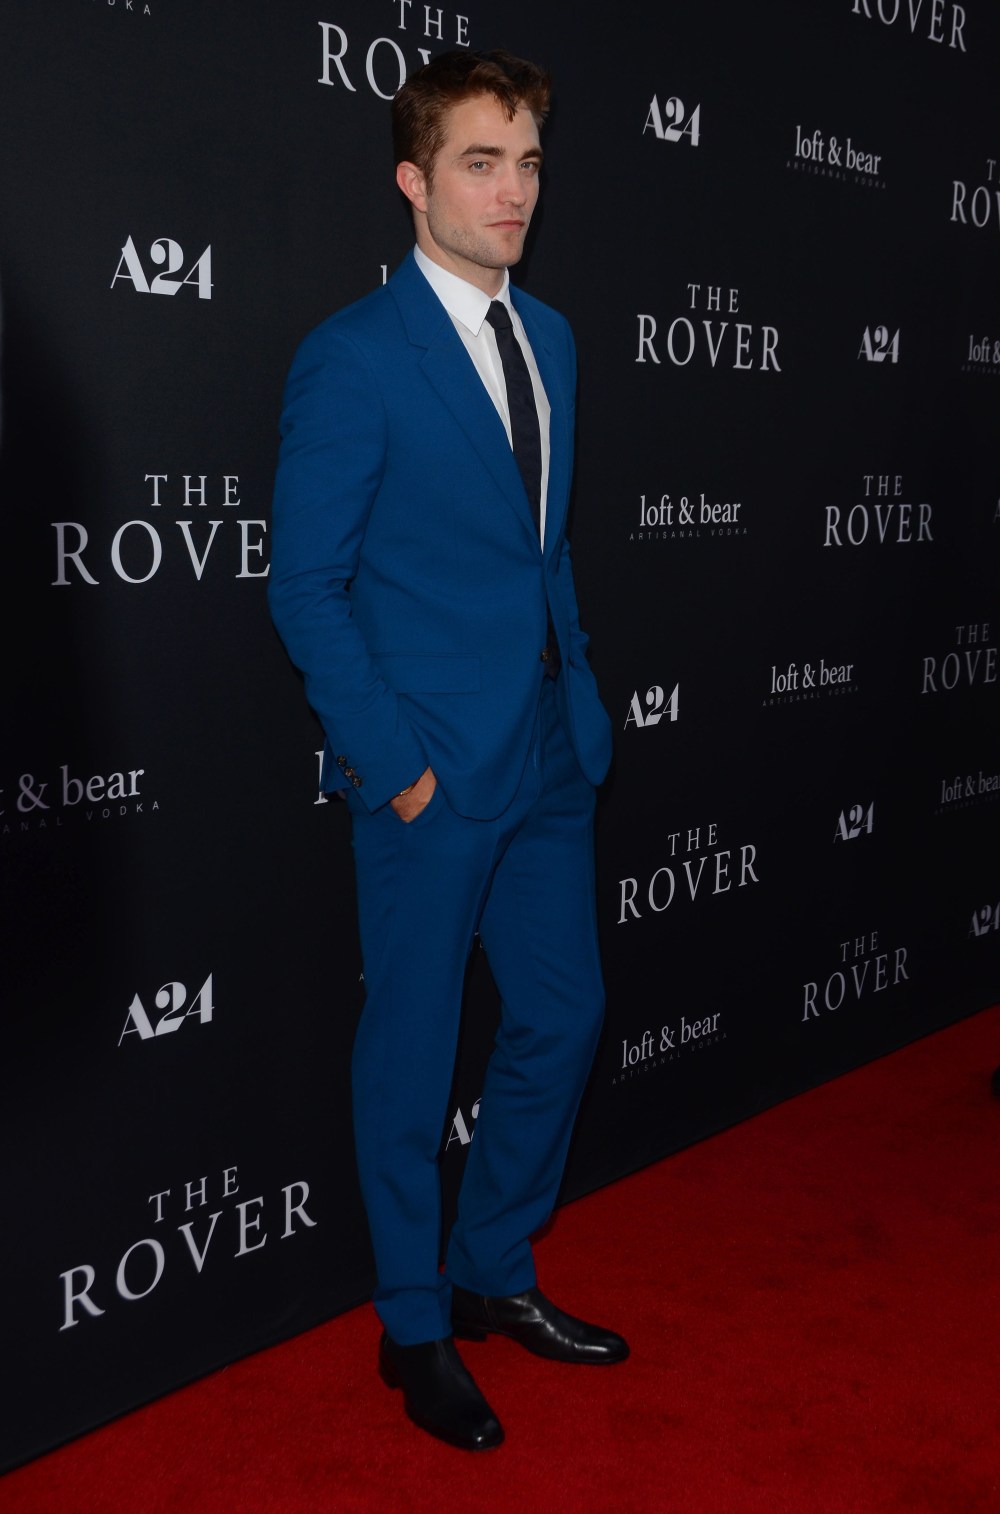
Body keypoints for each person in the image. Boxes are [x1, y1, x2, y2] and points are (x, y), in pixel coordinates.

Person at [269, 49, 627, 1452]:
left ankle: (491, 1266)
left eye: (528, 162)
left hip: (544, 748)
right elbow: (306, 588)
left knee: (564, 1016)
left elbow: (544, 550)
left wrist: (576, 690)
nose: (513, 190)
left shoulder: (558, 340)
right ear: (415, 181)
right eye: (483, 163)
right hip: (429, 770)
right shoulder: (354, 356)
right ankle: (413, 1324)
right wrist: (396, 765)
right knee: (413, 1057)